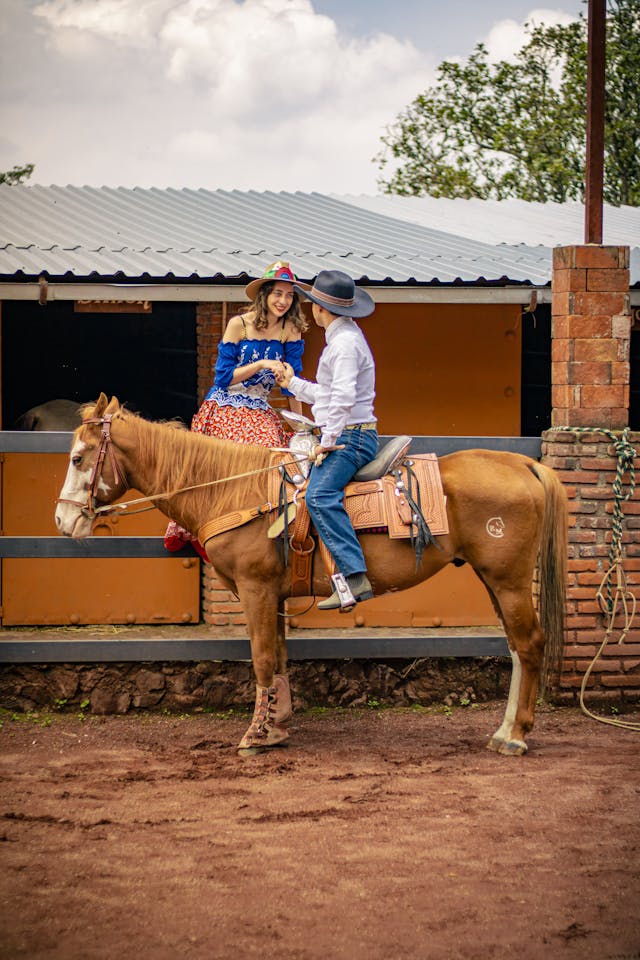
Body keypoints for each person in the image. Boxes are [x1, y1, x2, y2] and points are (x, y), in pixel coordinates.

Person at [164, 261, 307, 556]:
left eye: (289, 295)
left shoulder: (290, 330)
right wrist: (262, 364)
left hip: (260, 408)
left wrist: (302, 423)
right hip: (225, 404)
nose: (283, 301)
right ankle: (215, 530)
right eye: (277, 293)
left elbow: (293, 384)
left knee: (274, 460)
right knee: (218, 473)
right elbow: (223, 378)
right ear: (265, 294)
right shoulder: (238, 324)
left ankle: (263, 535)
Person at [277, 269, 378, 611]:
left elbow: (344, 400)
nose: (311, 310)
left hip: (351, 437)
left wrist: (327, 440)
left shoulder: (345, 344)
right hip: (350, 433)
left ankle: (354, 577)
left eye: (313, 305)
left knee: (319, 496)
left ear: (321, 309)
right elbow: (331, 394)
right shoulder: (344, 339)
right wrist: (293, 384)